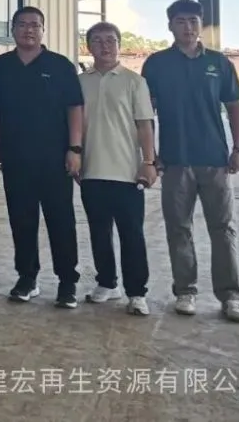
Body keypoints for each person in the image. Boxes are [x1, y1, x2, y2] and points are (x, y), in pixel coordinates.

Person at [141, 0, 239, 323]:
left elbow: (234, 107)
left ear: (201, 24)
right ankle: (185, 291)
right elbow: (146, 114)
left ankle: (231, 296)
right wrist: (151, 157)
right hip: (174, 161)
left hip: (215, 160)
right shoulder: (156, 64)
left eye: (193, 21)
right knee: (178, 228)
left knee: (223, 229)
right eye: (180, 21)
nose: (187, 27)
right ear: (170, 26)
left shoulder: (219, 62)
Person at [0, 6, 84, 309]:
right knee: (22, 220)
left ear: (43, 30)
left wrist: (75, 148)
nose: (28, 30)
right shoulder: (1, 66)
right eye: (22, 24)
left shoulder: (60, 65)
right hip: (16, 157)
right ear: (12, 29)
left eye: (35, 25)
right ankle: (27, 278)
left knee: (61, 220)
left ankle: (67, 282)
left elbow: (75, 108)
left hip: (55, 158)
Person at [79, 22, 157, 316]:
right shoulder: (80, 82)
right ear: (89, 47)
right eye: (98, 41)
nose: (105, 46)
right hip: (91, 170)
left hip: (127, 172)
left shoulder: (134, 82)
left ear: (119, 45)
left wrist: (148, 162)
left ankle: (136, 292)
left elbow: (144, 125)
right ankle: (107, 282)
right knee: (99, 232)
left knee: (131, 234)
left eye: (110, 40)